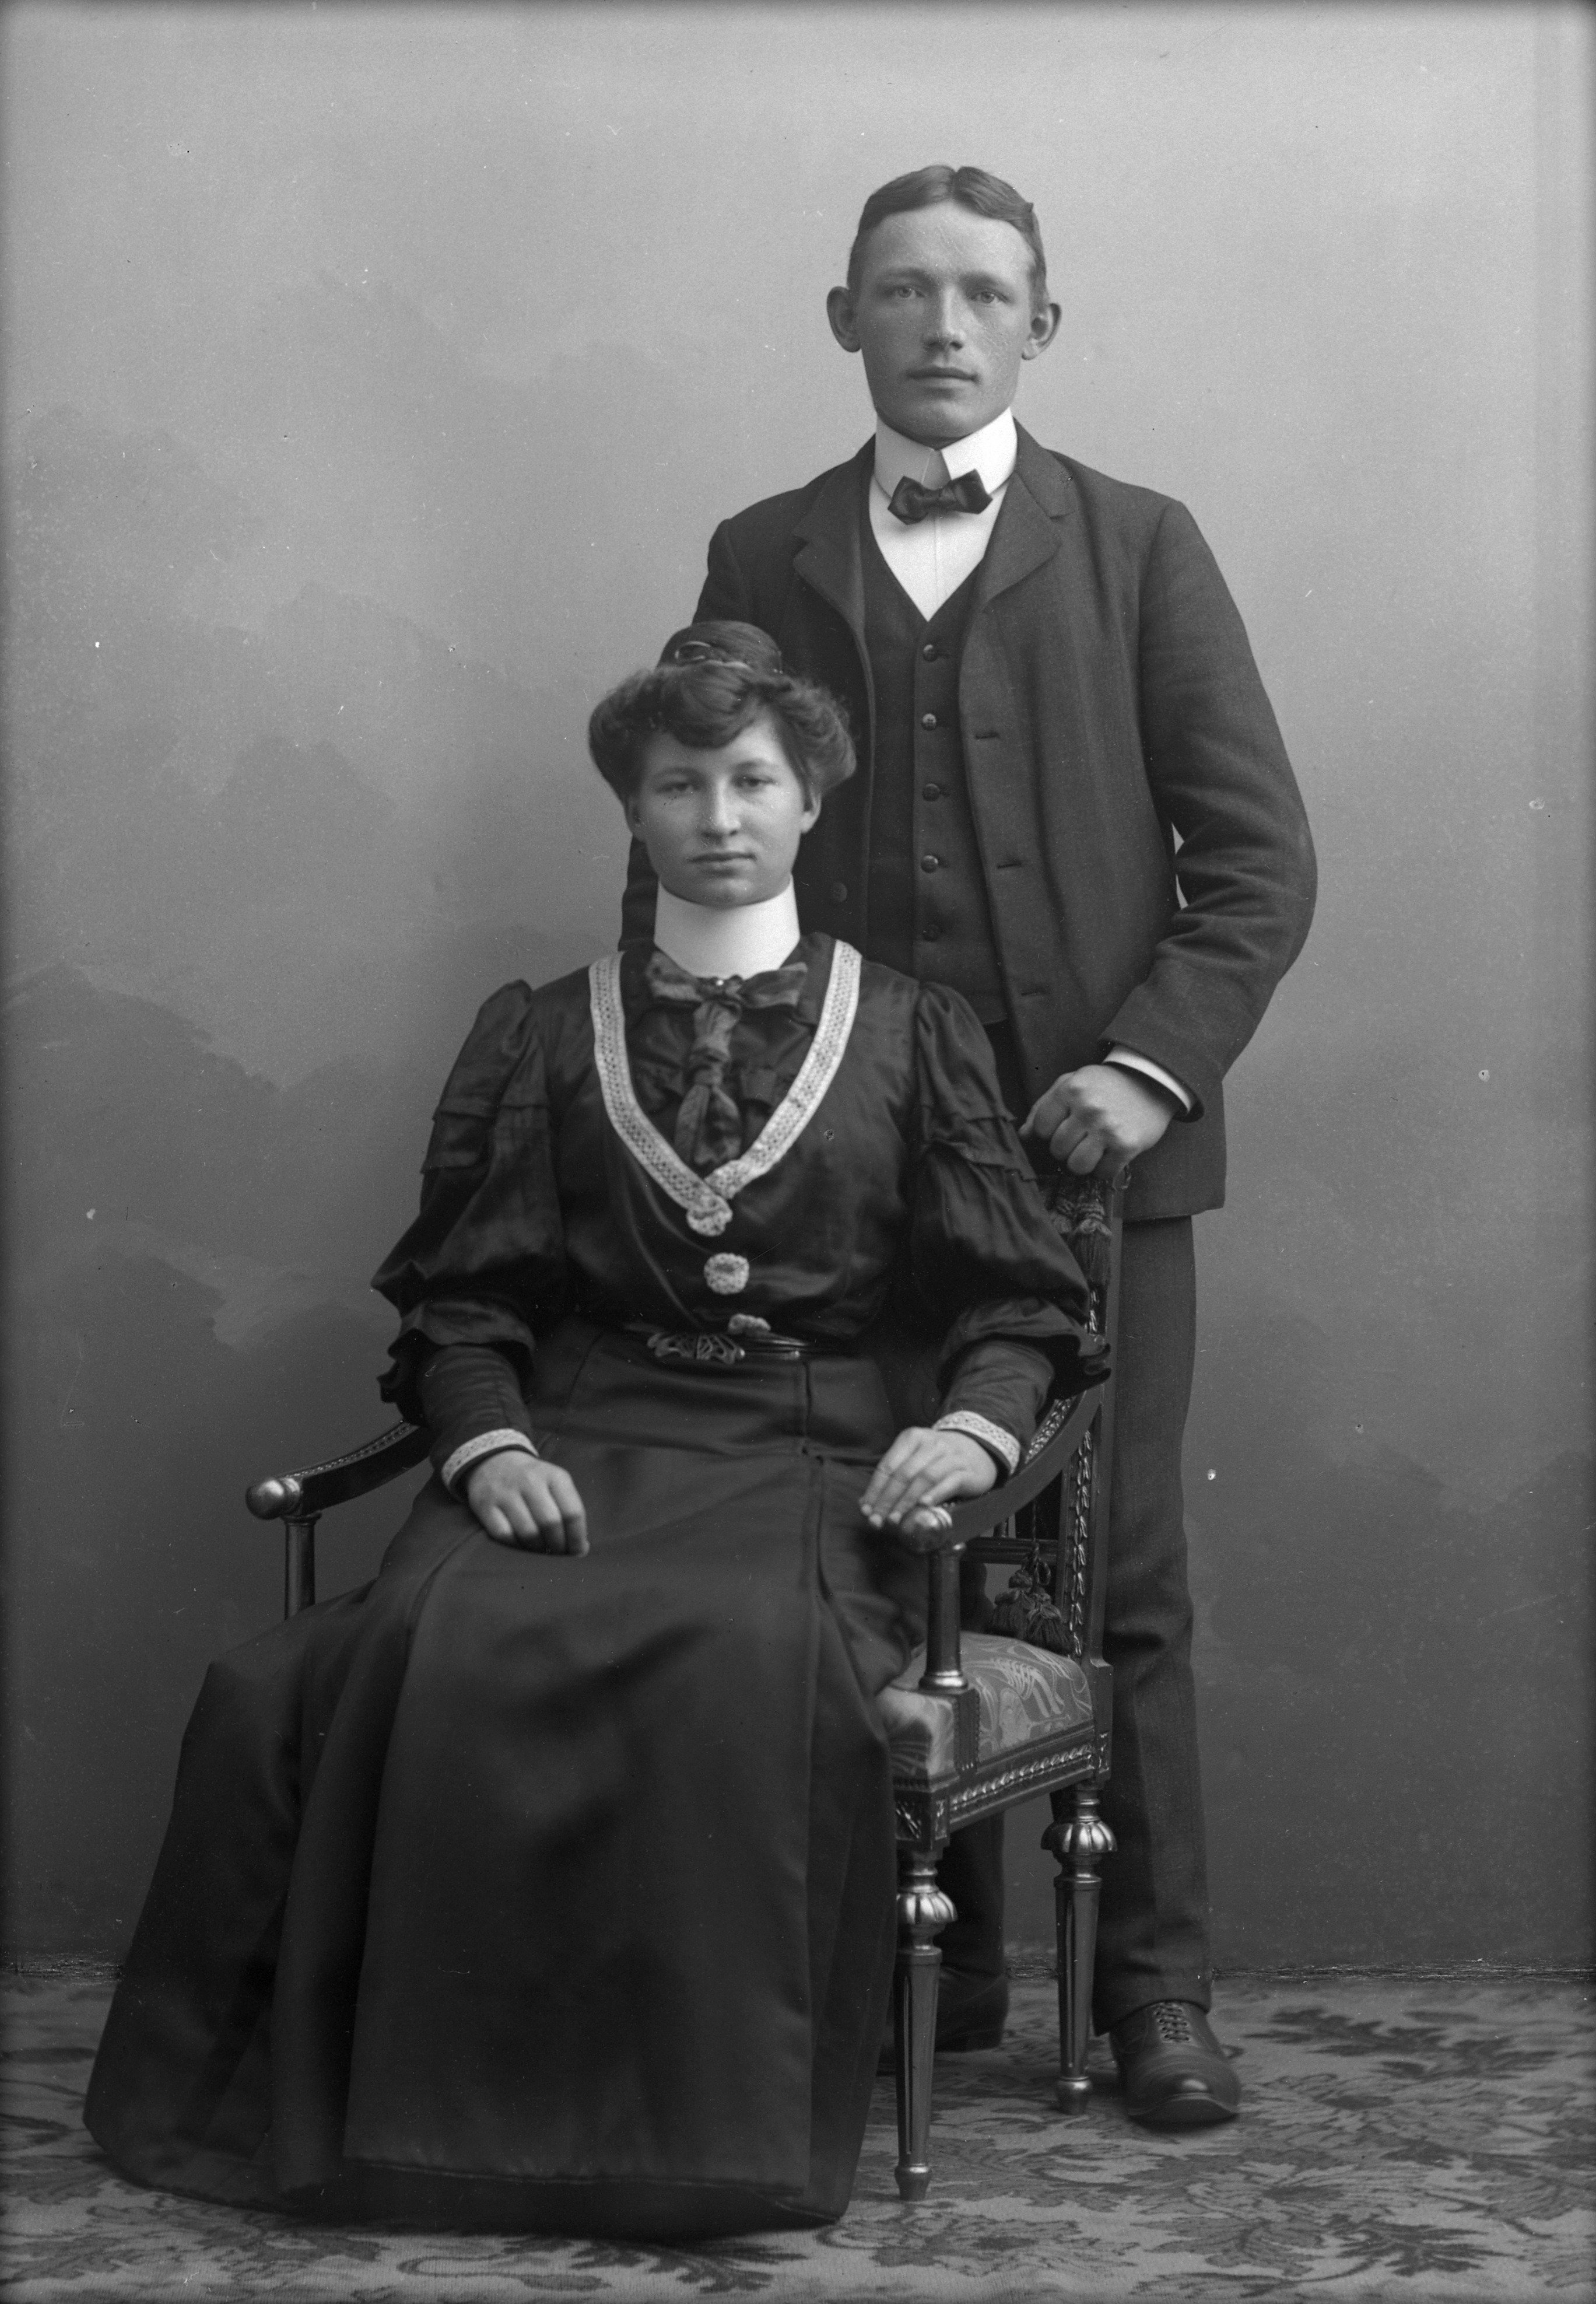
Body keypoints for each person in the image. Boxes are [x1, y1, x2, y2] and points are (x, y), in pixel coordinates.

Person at [83, 624, 1102, 2238]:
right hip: (580, 1434)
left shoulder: (915, 1030)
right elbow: (466, 1302)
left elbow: (1017, 1298)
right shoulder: (545, 1030)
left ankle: (684, 2137)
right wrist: (488, 1447)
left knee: (733, 1657)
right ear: (632, 807)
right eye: (679, 784)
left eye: (751, 779)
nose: (719, 816)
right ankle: (432, 2122)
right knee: (443, 1644)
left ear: (811, 797)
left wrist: (978, 1433)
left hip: (808, 1449)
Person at [622, 166, 1317, 2127]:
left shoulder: (1138, 545)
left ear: (1039, 327)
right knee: (876, 1546)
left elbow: (1255, 861)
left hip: (1093, 1160)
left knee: (1115, 1577)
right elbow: (697, 844)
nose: (942, 325)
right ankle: (938, 1977)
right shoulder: (760, 550)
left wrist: (1148, 1072)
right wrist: (709, 1108)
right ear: (842, 317)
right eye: (903, 291)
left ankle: (1152, 1993)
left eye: (984, 294)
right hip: (841, 1165)